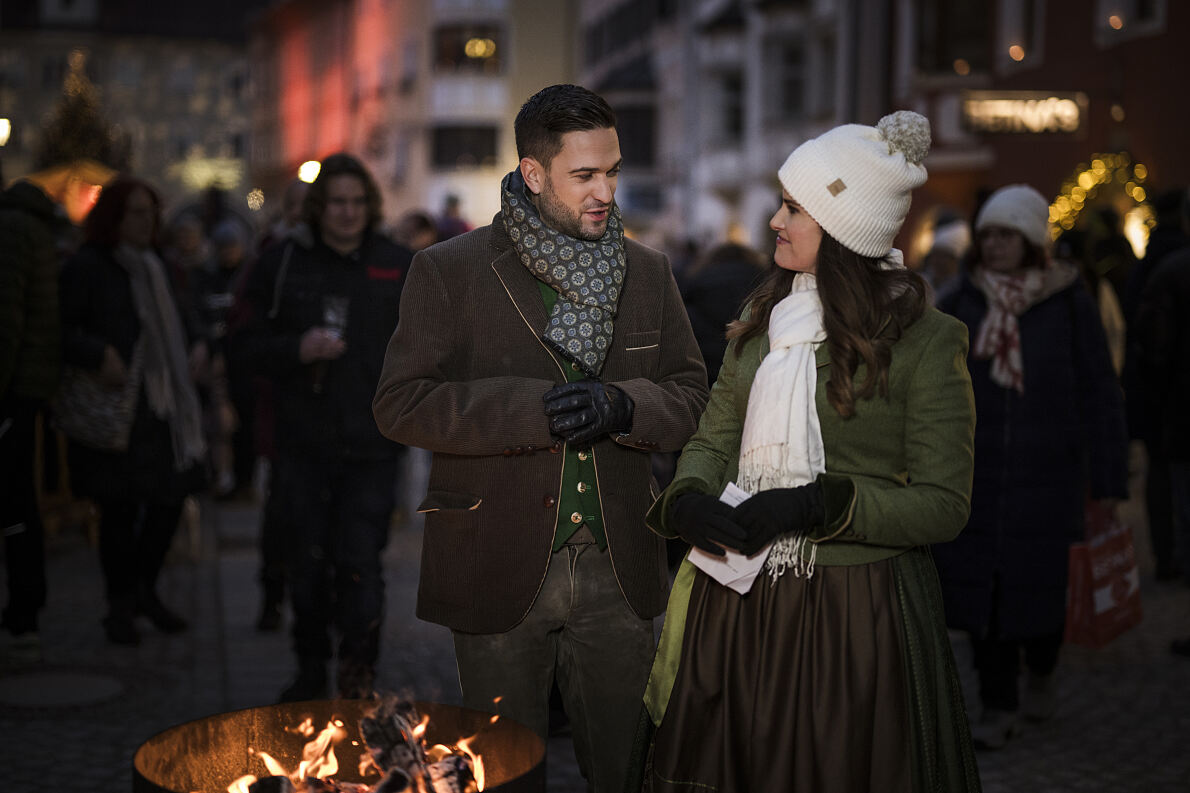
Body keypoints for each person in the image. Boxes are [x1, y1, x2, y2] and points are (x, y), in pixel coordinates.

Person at [372, 84, 708, 793]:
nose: (605, 192)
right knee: (501, 774)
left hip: (620, 568)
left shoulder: (647, 273)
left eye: (612, 171)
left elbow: (690, 396)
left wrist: (625, 405)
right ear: (533, 173)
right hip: (495, 560)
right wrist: (531, 409)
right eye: (584, 175)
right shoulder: (449, 270)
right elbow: (398, 405)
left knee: (629, 772)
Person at [636, 111, 981, 792]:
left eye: (793, 207)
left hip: (857, 616)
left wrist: (826, 502)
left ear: (844, 228)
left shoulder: (926, 340)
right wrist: (691, 500)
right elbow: (712, 438)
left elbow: (945, 505)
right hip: (737, 607)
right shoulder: (762, 323)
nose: (774, 221)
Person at [933, 184, 1128, 748]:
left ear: (1031, 242)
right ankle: (999, 704)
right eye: (988, 235)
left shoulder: (1068, 300)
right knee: (986, 595)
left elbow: (1098, 389)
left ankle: (1042, 671)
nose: (995, 246)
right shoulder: (962, 300)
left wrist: (1109, 478)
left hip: (1050, 475)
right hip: (978, 474)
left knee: (1040, 589)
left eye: (1007, 236)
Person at [240, 153, 411, 701]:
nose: (348, 212)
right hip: (303, 443)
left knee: (360, 564)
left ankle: (359, 672)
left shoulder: (396, 261)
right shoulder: (284, 261)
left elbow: (431, 346)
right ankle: (310, 669)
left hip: (372, 445)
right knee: (307, 563)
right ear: (319, 206)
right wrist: (296, 347)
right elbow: (240, 345)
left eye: (357, 202)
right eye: (337, 202)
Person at [58, 176, 208, 646]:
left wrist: (200, 343)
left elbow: (186, 317)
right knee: (118, 511)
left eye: (150, 213)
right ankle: (119, 604)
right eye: (136, 213)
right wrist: (97, 352)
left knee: (169, 500)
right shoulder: (88, 266)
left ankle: (145, 589)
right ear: (115, 218)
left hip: (162, 410)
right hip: (116, 410)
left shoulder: (159, 264)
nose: (146, 222)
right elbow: (61, 329)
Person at [1132, 190, 1190, 654]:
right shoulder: (1168, 270)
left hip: (1172, 406)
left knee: (1168, 483)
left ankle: (1169, 556)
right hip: (1174, 405)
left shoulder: (1158, 269)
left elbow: (1152, 349)